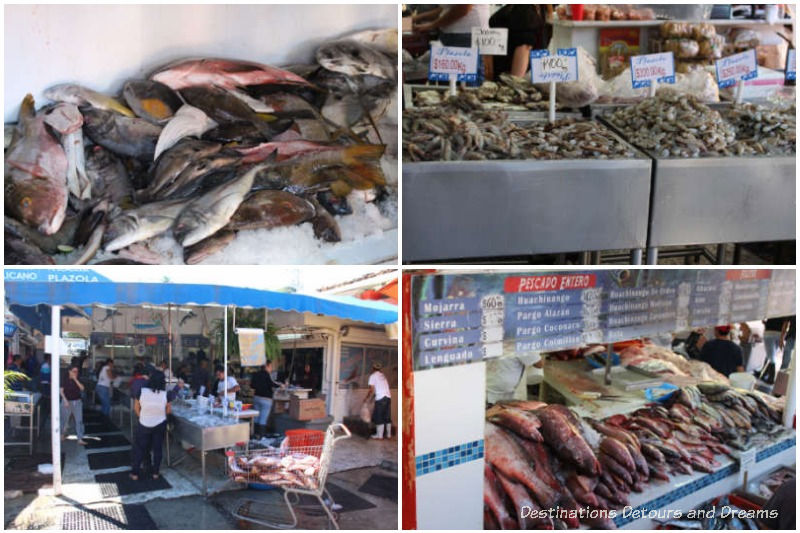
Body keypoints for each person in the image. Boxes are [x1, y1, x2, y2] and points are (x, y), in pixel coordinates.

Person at [489, 5, 553, 76]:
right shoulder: (537, 9)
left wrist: (515, 82)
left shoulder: (524, 10)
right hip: (510, 75)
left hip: (507, 77)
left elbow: (524, 47)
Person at [131, 371, 170, 481]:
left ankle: (135, 473)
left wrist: (142, 416)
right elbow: (168, 410)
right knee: (157, 449)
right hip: (160, 424)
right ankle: (155, 473)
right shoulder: (165, 394)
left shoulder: (141, 391)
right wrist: (160, 415)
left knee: (139, 448)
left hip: (144, 423)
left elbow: (136, 407)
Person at [60, 365, 87, 445]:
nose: (76, 373)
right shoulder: (64, 379)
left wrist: (75, 379)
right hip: (67, 400)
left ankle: (80, 438)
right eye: (74, 371)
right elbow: (61, 390)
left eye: (77, 371)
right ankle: (62, 434)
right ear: (70, 371)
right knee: (64, 419)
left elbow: (82, 388)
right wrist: (65, 400)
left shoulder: (78, 379)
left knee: (79, 420)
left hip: (77, 401)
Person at [251, 360, 279, 435]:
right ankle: (261, 436)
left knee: (256, 417)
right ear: (266, 366)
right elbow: (271, 384)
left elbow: (252, 385)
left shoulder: (256, 374)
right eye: (270, 366)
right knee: (263, 418)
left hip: (256, 397)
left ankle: (254, 434)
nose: (271, 368)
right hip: (266, 399)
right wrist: (281, 385)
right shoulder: (267, 374)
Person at [365, 362, 392, 440]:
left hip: (380, 399)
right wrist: (372, 398)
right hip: (388, 397)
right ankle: (389, 435)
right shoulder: (383, 376)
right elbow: (379, 388)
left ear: (373, 368)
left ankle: (379, 436)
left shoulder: (373, 376)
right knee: (387, 416)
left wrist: (366, 398)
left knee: (379, 416)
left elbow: (371, 390)